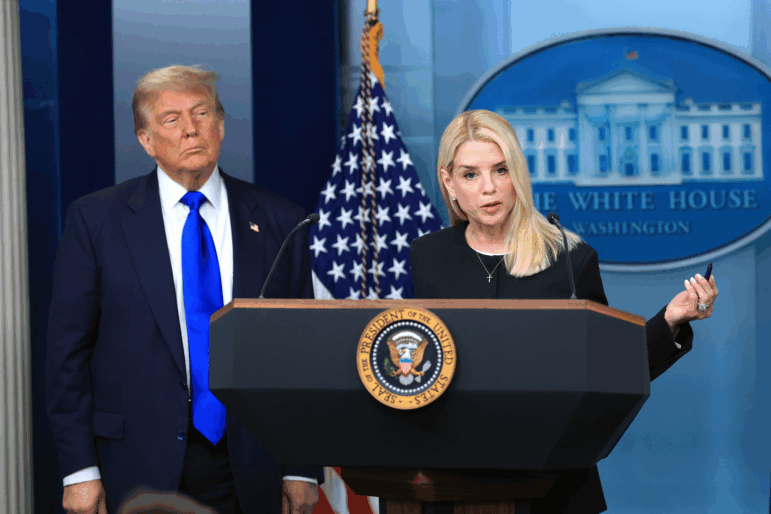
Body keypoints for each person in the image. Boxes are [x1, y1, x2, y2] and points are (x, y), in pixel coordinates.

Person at [409, 109, 718, 513]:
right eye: (470, 174)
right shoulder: (428, 256)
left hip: (553, 484)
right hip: (452, 482)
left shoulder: (569, 258)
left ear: (518, 173)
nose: (489, 188)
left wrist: (670, 321)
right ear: (449, 182)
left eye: (500, 170)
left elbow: (608, 368)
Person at [46, 65, 321, 514]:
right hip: (133, 465)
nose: (191, 130)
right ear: (145, 139)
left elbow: (302, 356)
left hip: (252, 464)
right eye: (172, 120)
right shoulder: (95, 221)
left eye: (202, 113)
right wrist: (80, 471)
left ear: (221, 124)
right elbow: (67, 355)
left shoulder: (280, 221)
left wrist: (300, 468)